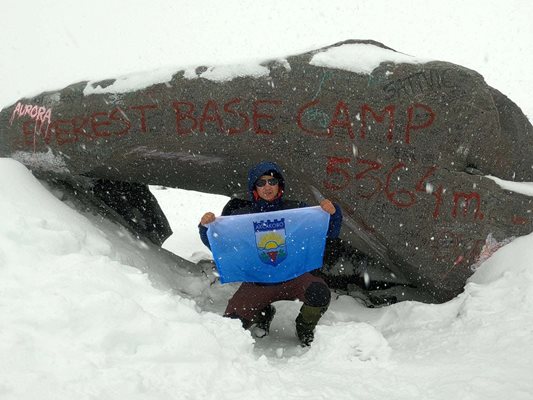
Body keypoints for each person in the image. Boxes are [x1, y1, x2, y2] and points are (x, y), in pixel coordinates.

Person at [198, 161, 342, 346]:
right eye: (261, 182)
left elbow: (328, 232)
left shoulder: (297, 210)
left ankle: (304, 328)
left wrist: (331, 213)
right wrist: (206, 227)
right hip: (258, 283)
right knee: (231, 325)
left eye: (272, 182)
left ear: (279, 185)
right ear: (254, 188)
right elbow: (219, 244)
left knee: (319, 293)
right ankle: (263, 314)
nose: (267, 187)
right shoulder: (241, 216)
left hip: (294, 278)